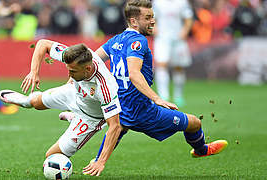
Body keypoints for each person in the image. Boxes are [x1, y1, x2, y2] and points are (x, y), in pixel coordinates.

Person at [78, 0, 227, 170]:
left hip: (119, 105)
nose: (153, 21)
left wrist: (73, 77)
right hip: (142, 111)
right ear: (134, 21)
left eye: (153, 17)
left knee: (120, 126)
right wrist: (157, 98)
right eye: (148, 17)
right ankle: (201, 150)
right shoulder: (139, 41)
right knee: (194, 123)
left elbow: (94, 60)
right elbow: (134, 73)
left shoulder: (116, 39)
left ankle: (96, 160)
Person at [0, 40, 122, 176]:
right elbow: (42, 44)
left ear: (87, 69)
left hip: (90, 118)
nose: (69, 75)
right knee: (36, 104)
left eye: (72, 71)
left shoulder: (106, 87)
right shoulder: (76, 56)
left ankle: (74, 118)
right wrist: (34, 72)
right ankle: (26, 101)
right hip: (73, 93)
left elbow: (115, 126)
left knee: (51, 156)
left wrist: (101, 161)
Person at [153, 0, 194, 106]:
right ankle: (163, 96)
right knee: (162, 65)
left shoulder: (182, 2)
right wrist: (154, 28)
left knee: (178, 67)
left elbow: (188, 18)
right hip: (162, 38)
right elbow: (152, 17)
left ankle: (178, 96)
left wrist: (185, 30)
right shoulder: (157, 2)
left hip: (178, 39)